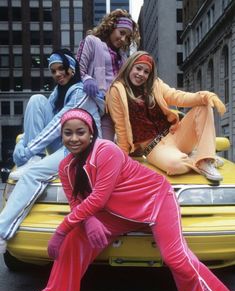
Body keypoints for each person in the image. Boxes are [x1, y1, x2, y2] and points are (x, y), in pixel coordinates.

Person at [16, 108, 235, 291]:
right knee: (76, 236)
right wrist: (88, 222)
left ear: (91, 134)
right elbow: (75, 202)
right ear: (61, 136)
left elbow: (98, 197)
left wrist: (59, 232)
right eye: (67, 133)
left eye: (80, 132)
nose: (73, 138)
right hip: (116, 212)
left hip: (155, 200)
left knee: (176, 257)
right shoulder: (65, 167)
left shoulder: (107, 150)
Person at [0, 49, 103, 254]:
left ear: (71, 68)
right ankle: (34, 158)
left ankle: (2, 230)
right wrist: (26, 148)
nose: (57, 74)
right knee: (37, 100)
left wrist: (27, 150)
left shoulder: (81, 91)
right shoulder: (58, 93)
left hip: (83, 148)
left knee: (32, 175)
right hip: (66, 143)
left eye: (61, 69)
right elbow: (41, 125)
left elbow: (58, 125)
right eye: (53, 71)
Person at [105, 51, 226, 182]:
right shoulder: (116, 91)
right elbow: (121, 128)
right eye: (138, 68)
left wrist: (204, 96)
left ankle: (205, 160)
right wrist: (122, 161)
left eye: (146, 72)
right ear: (129, 67)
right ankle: (200, 157)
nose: (141, 74)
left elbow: (177, 96)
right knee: (175, 166)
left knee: (203, 105)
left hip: (175, 134)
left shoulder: (155, 84)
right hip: (154, 147)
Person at [77, 8, 139, 140]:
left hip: (110, 110)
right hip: (91, 101)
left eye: (127, 37)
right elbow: (78, 69)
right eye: (121, 33)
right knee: (86, 142)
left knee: (105, 146)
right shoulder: (92, 41)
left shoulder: (123, 58)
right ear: (111, 27)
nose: (123, 39)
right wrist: (87, 79)